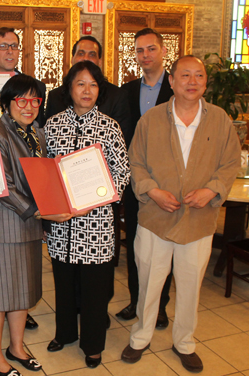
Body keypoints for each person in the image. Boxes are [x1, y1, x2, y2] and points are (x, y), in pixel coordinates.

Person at [121, 56, 240, 373]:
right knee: (148, 283)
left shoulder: (219, 119)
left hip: (197, 223)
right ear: (171, 81)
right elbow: (135, 163)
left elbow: (230, 165)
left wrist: (212, 190)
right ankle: (141, 337)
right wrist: (152, 191)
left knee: (190, 287)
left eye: (198, 75)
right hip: (155, 219)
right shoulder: (152, 119)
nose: (192, 80)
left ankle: (184, 342)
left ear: (205, 82)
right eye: (184, 74)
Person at [44, 61, 130, 368]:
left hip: (95, 224)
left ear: (100, 90)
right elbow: (45, 172)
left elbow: (122, 173)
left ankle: (92, 345)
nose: (86, 90)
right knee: (64, 284)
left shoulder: (110, 127)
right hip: (62, 225)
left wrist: (98, 197)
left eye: (93, 85)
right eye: (80, 84)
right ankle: (65, 333)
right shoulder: (52, 125)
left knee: (94, 291)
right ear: (69, 88)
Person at [0, 74, 47, 376]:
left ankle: (16, 347)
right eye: (22, 99)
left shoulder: (37, 134)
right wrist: (37, 210)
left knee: (22, 292)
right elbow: (1, 185)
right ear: (7, 103)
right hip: (3, 228)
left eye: (35, 99)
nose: (29, 106)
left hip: (30, 226)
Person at [117, 28, 175, 327]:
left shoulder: (176, 88)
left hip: (168, 183)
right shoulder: (127, 91)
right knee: (138, 244)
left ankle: (160, 305)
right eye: (140, 50)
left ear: (163, 50)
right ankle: (136, 300)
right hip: (136, 181)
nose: (145, 55)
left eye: (151, 49)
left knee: (164, 245)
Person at [45, 36, 131, 140]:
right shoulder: (55, 96)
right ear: (72, 59)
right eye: (81, 54)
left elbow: (123, 139)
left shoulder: (117, 96)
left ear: (99, 62)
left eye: (92, 54)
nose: (85, 58)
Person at [0, 27, 46, 129]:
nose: (10, 51)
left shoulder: (37, 86)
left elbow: (38, 128)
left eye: (14, 46)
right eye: (3, 46)